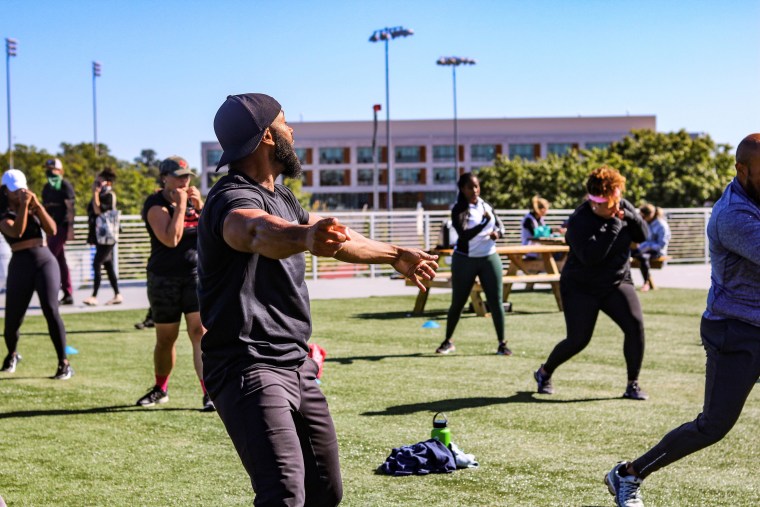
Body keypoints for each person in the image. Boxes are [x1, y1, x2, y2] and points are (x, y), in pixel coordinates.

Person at [197, 93, 438, 505]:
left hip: (296, 363)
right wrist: (304, 238)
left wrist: (396, 255)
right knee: (284, 494)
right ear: (269, 137)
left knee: (325, 491)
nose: (293, 131)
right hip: (247, 366)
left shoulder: (284, 197)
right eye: (286, 123)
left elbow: (341, 242)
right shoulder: (230, 198)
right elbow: (255, 231)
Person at [605, 134, 760, 507]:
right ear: (742, 170)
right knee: (713, 426)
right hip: (735, 331)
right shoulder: (733, 215)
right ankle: (629, 474)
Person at [533, 165, 649, 399]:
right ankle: (544, 372)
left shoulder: (622, 208)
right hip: (581, 286)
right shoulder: (578, 221)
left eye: (615, 200)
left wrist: (631, 217)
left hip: (616, 281)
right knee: (578, 340)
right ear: (594, 201)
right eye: (606, 203)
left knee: (635, 326)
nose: (613, 206)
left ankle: (632, 384)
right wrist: (615, 225)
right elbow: (591, 257)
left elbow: (643, 235)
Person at [135, 156, 213, 411]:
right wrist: (181, 207)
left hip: (194, 277)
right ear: (164, 178)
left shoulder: (192, 202)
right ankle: (161, 388)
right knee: (166, 338)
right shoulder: (155, 204)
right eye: (179, 176)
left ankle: (208, 392)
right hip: (163, 279)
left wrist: (200, 208)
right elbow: (171, 239)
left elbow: (213, 236)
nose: (184, 181)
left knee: (199, 333)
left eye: (187, 176)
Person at [0, 169, 73, 379]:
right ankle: (12, 354)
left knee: (51, 310)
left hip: (44, 260)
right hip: (20, 264)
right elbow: (16, 232)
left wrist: (38, 206)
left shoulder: (31, 205)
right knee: (13, 319)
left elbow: (52, 231)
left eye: (22, 188)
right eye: (15, 190)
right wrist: (24, 205)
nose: (20, 193)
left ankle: (64, 363)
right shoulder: (3, 213)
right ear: (5, 191)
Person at [435, 172, 511, 356]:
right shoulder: (459, 209)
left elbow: (501, 226)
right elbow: (464, 235)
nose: (475, 190)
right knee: (458, 302)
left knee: (496, 301)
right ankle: (448, 341)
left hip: (488, 257)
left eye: (476, 186)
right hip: (465, 259)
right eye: (470, 187)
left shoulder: (486, 205)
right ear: (462, 189)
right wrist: (484, 223)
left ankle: (502, 343)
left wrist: (497, 234)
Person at [83, 168, 121, 306]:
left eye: (100, 181)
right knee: (108, 265)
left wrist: (96, 193)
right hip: (99, 236)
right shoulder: (99, 195)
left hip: (107, 236)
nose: (97, 183)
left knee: (96, 263)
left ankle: (94, 296)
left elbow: (98, 210)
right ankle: (117, 294)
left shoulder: (109, 195)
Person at [41, 158, 76, 305]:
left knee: (50, 259)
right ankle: (68, 294)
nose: (50, 172)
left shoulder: (64, 185)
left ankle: (50, 292)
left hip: (61, 226)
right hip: (50, 227)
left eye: (53, 169)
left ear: (60, 171)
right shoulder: (47, 187)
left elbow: (70, 207)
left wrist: (70, 229)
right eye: (48, 169)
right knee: (60, 261)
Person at [630, 203, 670, 292]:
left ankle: (646, 283)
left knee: (643, 257)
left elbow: (661, 245)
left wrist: (647, 246)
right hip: (642, 249)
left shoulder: (661, 225)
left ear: (650, 215)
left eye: (643, 217)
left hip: (656, 251)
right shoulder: (645, 223)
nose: (642, 219)